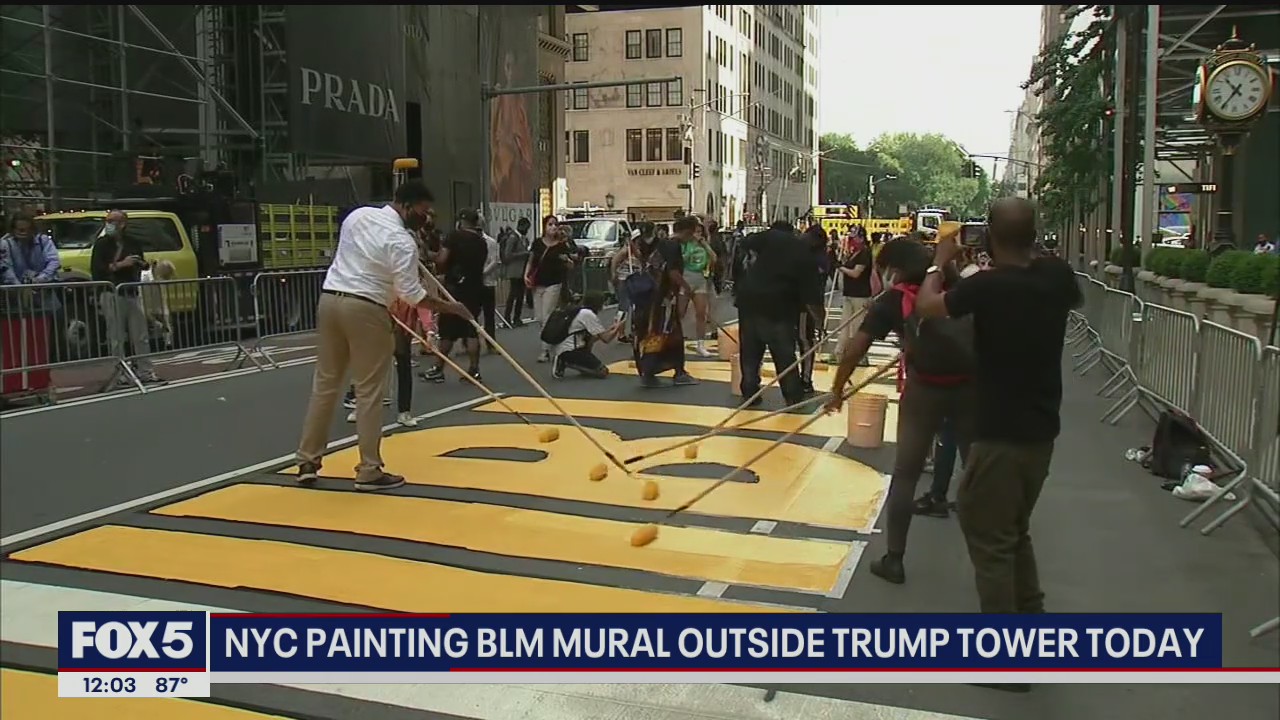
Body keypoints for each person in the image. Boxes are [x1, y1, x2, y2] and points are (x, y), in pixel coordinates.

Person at [914, 197, 1083, 620]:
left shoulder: (989, 287)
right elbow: (1025, 275)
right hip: (1040, 428)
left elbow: (929, 306)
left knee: (987, 533)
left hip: (1000, 431)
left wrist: (938, 261)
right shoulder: (1056, 276)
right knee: (1012, 531)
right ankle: (1030, 619)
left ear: (988, 235)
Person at [294, 181, 469, 492]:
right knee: (369, 391)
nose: (426, 218)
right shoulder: (402, 242)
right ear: (407, 205)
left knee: (326, 384)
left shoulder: (357, 216)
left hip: (330, 300)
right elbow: (411, 294)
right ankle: (369, 468)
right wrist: (450, 306)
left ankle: (308, 460)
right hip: (367, 307)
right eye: (423, 211)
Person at [825, 234, 976, 586]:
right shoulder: (961, 288)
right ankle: (992, 556)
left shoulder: (894, 300)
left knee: (906, 473)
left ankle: (894, 558)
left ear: (893, 268)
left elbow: (855, 348)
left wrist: (837, 390)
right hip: (970, 387)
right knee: (975, 472)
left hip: (925, 388)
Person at [732, 220, 811, 407]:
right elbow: (811, 293)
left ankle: (749, 391)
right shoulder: (800, 248)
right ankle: (792, 394)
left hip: (749, 300)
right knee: (784, 353)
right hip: (779, 304)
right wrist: (817, 318)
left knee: (750, 350)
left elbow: (745, 242)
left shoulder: (766, 238)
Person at [89, 210, 161, 386]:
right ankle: (120, 372)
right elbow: (97, 269)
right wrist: (121, 264)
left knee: (141, 335)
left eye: (113, 221)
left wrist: (139, 263)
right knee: (116, 336)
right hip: (111, 292)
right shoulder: (101, 244)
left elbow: (140, 263)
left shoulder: (133, 242)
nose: (109, 224)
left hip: (131, 291)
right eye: (108, 221)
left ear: (123, 223)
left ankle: (145, 371)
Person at [423, 208, 489, 383]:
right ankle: (474, 369)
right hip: (475, 288)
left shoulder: (454, 236)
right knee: (471, 328)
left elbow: (442, 259)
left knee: (447, 331)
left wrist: (428, 254)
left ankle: (438, 367)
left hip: (454, 289)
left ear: (461, 221)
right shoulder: (481, 241)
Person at [632, 215, 699, 388]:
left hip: (652, 297)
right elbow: (672, 272)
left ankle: (663, 370)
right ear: (687, 232)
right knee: (666, 333)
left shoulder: (660, 244)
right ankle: (671, 371)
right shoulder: (673, 247)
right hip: (663, 299)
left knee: (660, 333)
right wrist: (687, 288)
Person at [526, 215, 575, 363]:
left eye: (555, 225)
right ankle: (553, 342)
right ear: (544, 227)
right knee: (540, 318)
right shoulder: (537, 243)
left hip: (554, 283)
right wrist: (526, 275)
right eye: (550, 224)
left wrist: (566, 260)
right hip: (538, 283)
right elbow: (531, 260)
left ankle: (544, 350)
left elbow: (571, 265)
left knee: (547, 316)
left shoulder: (561, 246)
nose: (553, 227)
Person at [552, 291, 622, 380]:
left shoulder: (580, 311)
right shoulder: (588, 315)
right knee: (603, 372)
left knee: (589, 341)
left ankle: (577, 363)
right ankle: (565, 361)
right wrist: (618, 328)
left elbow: (595, 336)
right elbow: (606, 339)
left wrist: (611, 328)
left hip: (567, 345)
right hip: (570, 349)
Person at [680, 219, 717, 357]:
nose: (698, 234)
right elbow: (682, 259)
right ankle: (675, 339)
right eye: (696, 232)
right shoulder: (685, 244)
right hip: (686, 277)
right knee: (680, 312)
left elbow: (714, 258)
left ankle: (700, 344)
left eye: (700, 232)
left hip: (700, 278)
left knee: (701, 313)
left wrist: (705, 244)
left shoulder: (704, 245)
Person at [835, 227, 874, 358]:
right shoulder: (854, 253)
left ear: (862, 238)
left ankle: (858, 355)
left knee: (857, 326)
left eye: (855, 238)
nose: (852, 240)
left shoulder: (865, 254)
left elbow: (856, 273)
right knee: (844, 324)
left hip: (860, 295)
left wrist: (840, 268)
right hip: (849, 293)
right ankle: (839, 352)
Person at [608, 227, 646, 343]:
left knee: (634, 307)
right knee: (624, 307)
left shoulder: (638, 249)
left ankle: (632, 331)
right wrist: (614, 274)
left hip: (634, 280)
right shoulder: (627, 250)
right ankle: (619, 333)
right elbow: (615, 260)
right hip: (623, 280)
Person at [500, 217, 532, 325]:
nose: (527, 230)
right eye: (526, 228)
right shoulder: (513, 238)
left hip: (522, 271)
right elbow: (507, 255)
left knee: (520, 295)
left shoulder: (523, 238)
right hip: (514, 271)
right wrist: (524, 254)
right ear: (520, 226)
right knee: (512, 295)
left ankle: (517, 318)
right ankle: (507, 318)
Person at [480, 220, 501, 350]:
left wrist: (482, 273)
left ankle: (491, 343)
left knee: (489, 315)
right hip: (472, 283)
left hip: (487, 282)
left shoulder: (490, 242)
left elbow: (495, 261)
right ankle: (469, 342)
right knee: (471, 313)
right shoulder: (466, 240)